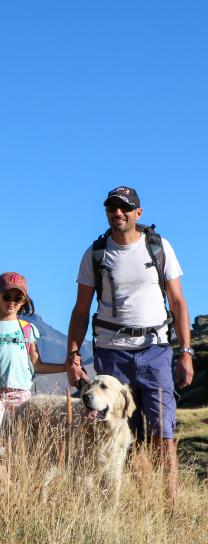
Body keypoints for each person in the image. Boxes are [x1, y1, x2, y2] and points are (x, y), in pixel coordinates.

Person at [66, 186, 194, 501]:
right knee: (122, 433)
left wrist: (186, 353)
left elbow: (177, 302)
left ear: (138, 212)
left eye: (125, 208)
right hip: (112, 355)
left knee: (163, 434)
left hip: (156, 351)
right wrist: (73, 356)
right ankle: (140, 503)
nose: (118, 213)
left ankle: (171, 508)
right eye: (112, 208)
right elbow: (81, 309)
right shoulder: (95, 254)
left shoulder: (159, 247)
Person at [0, 272, 66, 432]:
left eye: (17, 298)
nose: (12, 302)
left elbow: (37, 365)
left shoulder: (28, 330)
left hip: (21, 393)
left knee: (21, 435)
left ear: (23, 301)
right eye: (7, 296)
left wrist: (66, 367)